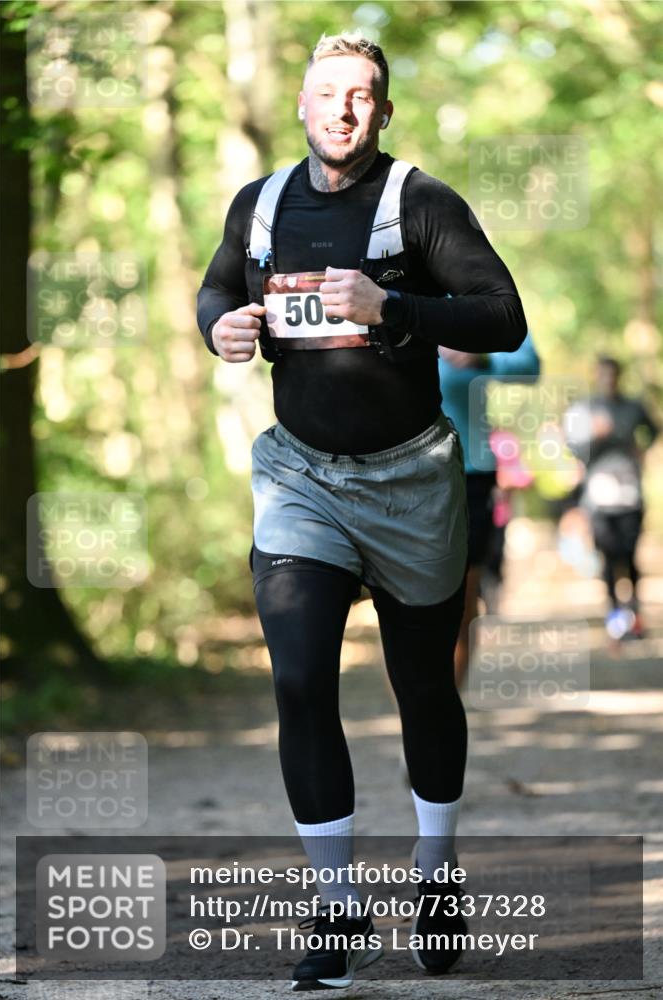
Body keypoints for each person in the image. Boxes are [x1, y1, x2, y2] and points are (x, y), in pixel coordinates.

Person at [197, 31, 527, 990]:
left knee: (422, 687)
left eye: (364, 96)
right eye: (329, 92)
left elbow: (501, 315)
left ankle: (434, 872)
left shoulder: (419, 203)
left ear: (382, 113)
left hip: (412, 481)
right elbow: (222, 282)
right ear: (302, 103)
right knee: (299, 682)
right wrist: (216, 321)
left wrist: (394, 308)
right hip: (299, 479)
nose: (344, 109)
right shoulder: (258, 204)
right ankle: (336, 906)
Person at [438, 333, 540, 686]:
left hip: (470, 473)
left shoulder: (470, 295)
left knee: (464, 598)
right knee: (398, 602)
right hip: (397, 473)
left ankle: (448, 705)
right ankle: (414, 715)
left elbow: (530, 366)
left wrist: (482, 356)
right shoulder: (381, 290)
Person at [563, 356, 658, 641]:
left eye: (613, 375)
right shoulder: (584, 409)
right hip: (598, 496)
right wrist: (594, 434)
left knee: (630, 555)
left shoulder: (633, 406)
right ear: (597, 376)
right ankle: (615, 617)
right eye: (603, 375)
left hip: (630, 492)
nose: (608, 380)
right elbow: (574, 447)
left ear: (619, 376)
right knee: (608, 556)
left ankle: (635, 615)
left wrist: (642, 447)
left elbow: (653, 429)